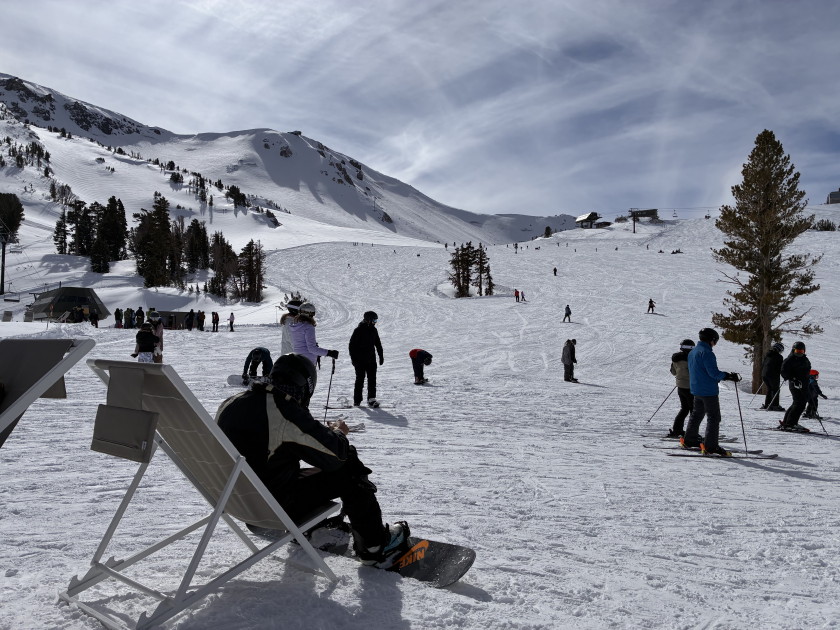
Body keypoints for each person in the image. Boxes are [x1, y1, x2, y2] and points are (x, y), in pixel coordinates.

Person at [216, 354, 410, 566]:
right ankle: (375, 545)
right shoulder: (283, 410)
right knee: (348, 464)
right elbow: (336, 455)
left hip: (237, 502)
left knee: (293, 467)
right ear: (306, 387)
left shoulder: (232, 403)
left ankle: (313, 528)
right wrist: (338, 433)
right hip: (273, 510)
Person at [680, 328, 741, 456]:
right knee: (714, 417)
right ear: (711, 340)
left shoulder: (693, 351)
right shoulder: (707, 353)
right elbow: (713, 373)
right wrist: (728, 376)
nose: (715, 344)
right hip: (708, 391)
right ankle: (711, 447)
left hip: (696, 389)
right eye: (715, 341)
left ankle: (689, 439)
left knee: (696, 414)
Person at [348, 311, 384, 407]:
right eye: (374, 320)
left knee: (372, 379)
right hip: (360, 361)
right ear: (368, 320)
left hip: (371, 360)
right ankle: (357, 400)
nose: (375, 322)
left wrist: (381, 356)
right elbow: (351, 346)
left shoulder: (374, 330)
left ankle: (371, 399)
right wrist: (354, 360)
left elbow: (378, 344)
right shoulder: (358, 330)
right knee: (360, 380)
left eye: (376, 320)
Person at [290, 303, 339, 373]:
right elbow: (312, 348)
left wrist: (317, 352)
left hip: (297, 360)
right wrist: (329, 353)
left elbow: (300, 344)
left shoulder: (295, 326)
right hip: (307, 362)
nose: (313, 317)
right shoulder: (308, 327)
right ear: (309, 314)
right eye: (312, 314)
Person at [780, 341, 812, 431]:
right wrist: (793, 379)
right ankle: (791, 423)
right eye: (797, 351)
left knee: (797, 403)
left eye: (801, 351)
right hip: (795, 384)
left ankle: (787, 422)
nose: (799, 353)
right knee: (800, 403)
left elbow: (808, 369)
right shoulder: (789, 359)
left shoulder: (805, 359)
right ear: (793, 350)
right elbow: (783, 372)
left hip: (804, 384)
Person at [668, 339, 695, 438]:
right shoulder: (692, 359)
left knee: (684, 409)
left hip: (680, 387)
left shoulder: (676, 358)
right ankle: (692, 433)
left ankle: (677, 430)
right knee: (693, 410)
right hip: (691, 387)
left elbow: (673, 372)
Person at [760, 342, 785, 411]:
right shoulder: (779, 357)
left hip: (764, 374)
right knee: (775, 390)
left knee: (770, 389)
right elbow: (781, 367)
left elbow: (763, 364)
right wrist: (784, 374)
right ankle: (775, 405)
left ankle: (767, 404)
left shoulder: (768, 355)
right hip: (773, 375)